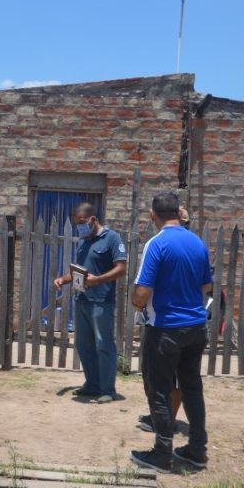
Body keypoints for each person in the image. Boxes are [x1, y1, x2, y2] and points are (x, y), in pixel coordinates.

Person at [129, 192, 213, 473]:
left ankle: (162, 453)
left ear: (153, 215)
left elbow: (142, 291)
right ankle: (197, 450)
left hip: (165, 328)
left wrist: (136, 303)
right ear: (178, 213)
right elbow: (206, 286)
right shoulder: (197, 243)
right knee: (192, 388)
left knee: (159, 390)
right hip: (196, 327)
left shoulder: (156, 244)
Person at [52, 202, 127, 403]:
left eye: (82, 222)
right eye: (77, 223)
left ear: (93, 219)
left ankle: (108, 390)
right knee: (83, 345)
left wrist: (98, 280)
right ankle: (92, 384)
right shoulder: (84, 241)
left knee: (103, 344)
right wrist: (63, 279)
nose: (80, 227)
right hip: (82, 299)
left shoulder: (112, 238)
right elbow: (79, 270)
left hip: (101, 301)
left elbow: (121, 268)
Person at [135, 205, 190, 433]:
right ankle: (161, 417)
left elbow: (144, 288)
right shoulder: (192, 245)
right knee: (162, 376)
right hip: (176, 321)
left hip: (169, 323)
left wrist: (138, 302)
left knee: (167, 378)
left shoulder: (164, 245)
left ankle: (167, 424)